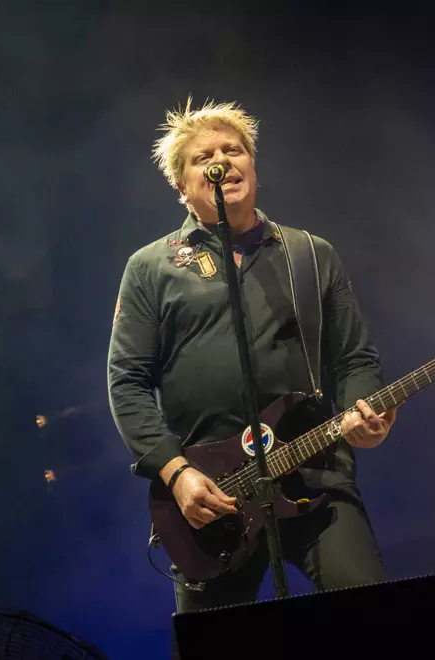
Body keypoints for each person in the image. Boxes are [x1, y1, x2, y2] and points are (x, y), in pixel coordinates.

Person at [107, 97, 398, 614]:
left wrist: (365, 407)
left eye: (234, 150)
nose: (223, 161)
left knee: (374, 618)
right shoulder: (150, 268)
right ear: (181, 185)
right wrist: (177, 473)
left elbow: (354, 358)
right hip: (212, 494)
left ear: (253, 167)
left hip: (313, 472)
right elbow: (127, 382)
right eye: (204, 157)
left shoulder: (310, 254)